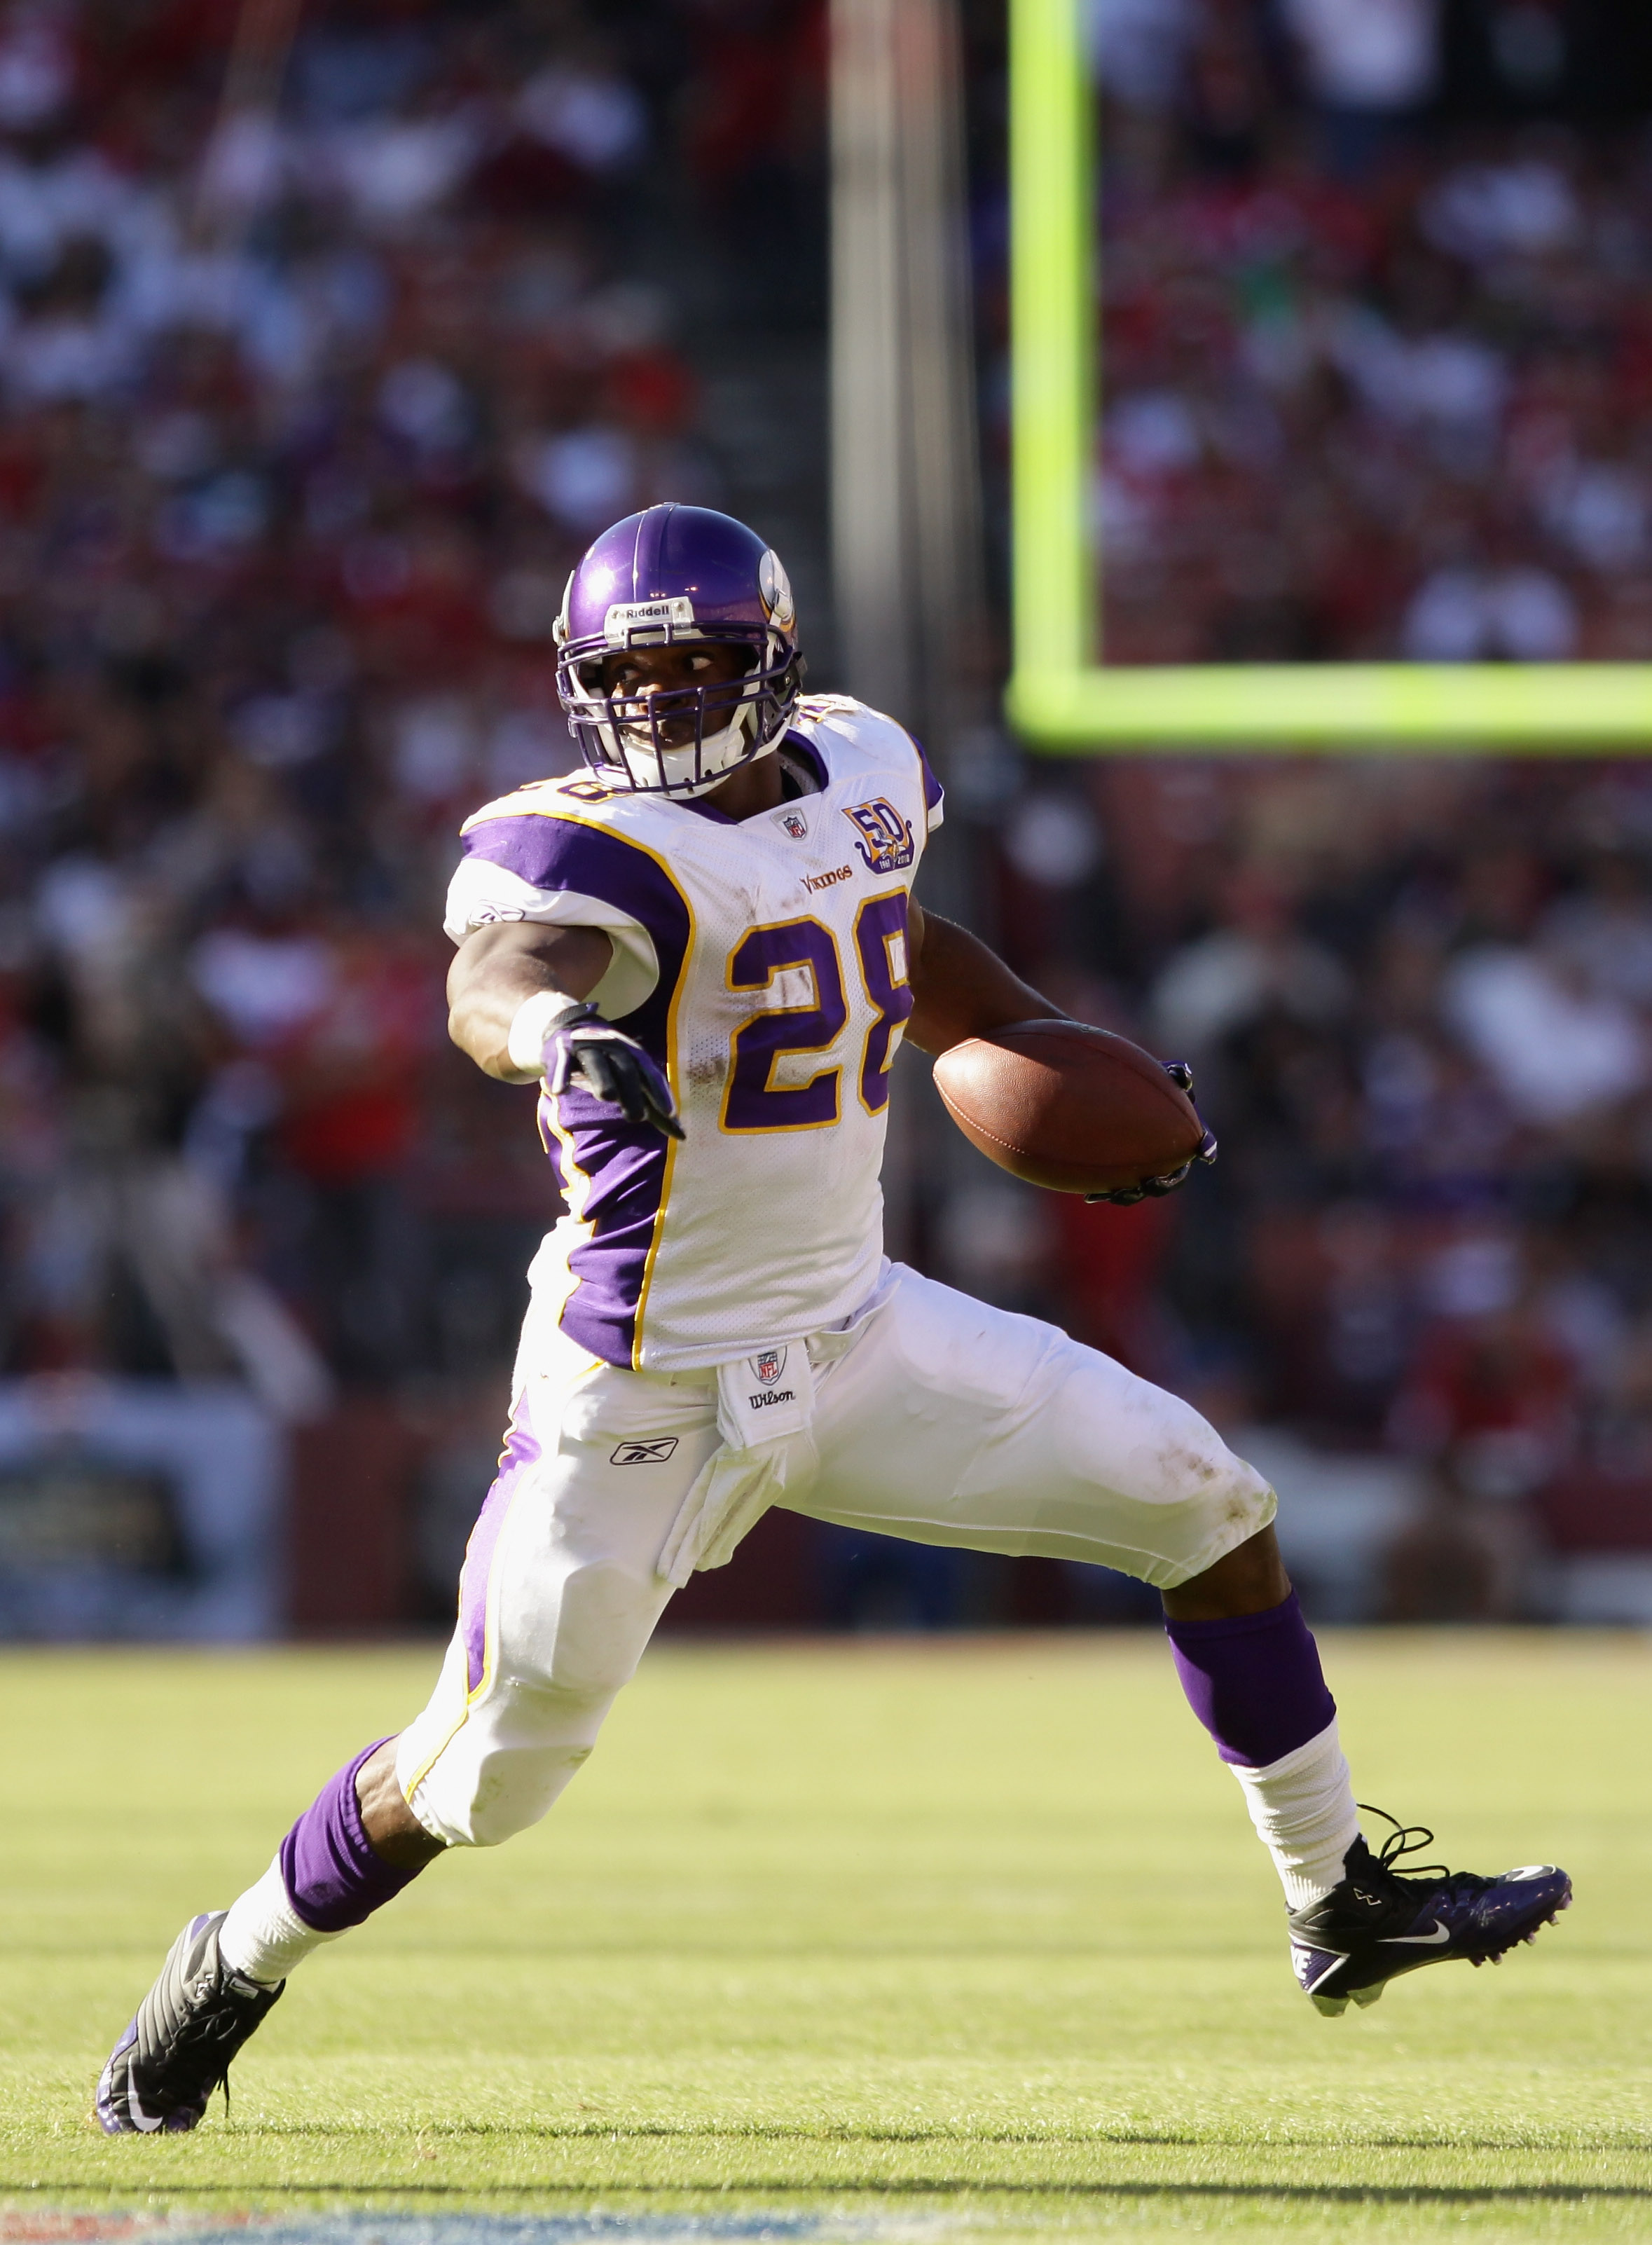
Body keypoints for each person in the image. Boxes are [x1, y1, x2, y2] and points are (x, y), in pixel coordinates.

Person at [97, 506, 1571, 2134]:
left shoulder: (863, 771)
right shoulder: (585, 850)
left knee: (1207, 1500)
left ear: (777, 665)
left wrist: (1047, 1048)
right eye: (627, 674)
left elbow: (900, 944)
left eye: (697, 666)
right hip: (638, 1396)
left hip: (855, 1336)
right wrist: (552, 1038)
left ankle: (1340, 1901)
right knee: (485, 1776)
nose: (658, 705)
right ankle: (229, 1963)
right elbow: (500, 974)